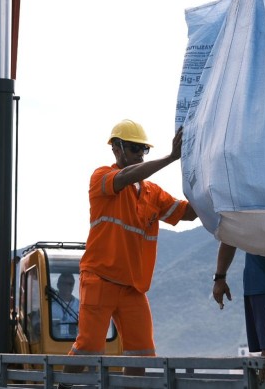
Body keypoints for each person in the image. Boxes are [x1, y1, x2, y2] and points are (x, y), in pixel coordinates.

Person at [59, 120, 197, 388]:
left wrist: (216, 187)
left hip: (133, 286)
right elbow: (124, 178)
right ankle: (63, 385)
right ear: (117, 149)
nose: (140, 155)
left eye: (143, 150)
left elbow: (188, 213)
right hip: (101, 278)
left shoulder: (151, 193)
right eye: (135, 149)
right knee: (88, 348)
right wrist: (170, 157)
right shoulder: (101, 178)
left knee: (142, 352)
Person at [50, 272, 80, 338]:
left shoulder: (80, 306)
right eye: (64, 284)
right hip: (54, 344)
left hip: (75, 345)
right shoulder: (49, 306)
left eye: (70, 284)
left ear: (73, 286)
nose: (67, 286)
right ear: (58, 285)